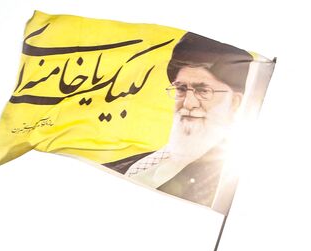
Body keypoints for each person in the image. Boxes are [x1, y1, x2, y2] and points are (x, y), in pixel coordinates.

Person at [105, 33, 253, 212]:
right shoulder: (127, 163)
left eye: (203, 90)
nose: (188, 103)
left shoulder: (228, 185)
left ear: (235, 103)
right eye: (181, 89)